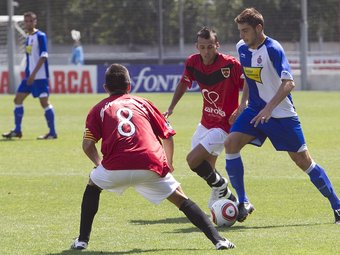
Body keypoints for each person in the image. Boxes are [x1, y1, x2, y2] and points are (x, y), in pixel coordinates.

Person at [70, 63, 235, 251]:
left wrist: (99, 165)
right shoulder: (143, 102)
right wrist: (169, 163)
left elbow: (87, 145)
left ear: (105, 88)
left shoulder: (98, 109)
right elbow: (168, 135)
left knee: (93, 185)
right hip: (150, 164)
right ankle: (219, 240)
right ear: (129, 86)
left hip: (114, 167)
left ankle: (82, 241)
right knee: (181, 199)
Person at [224, 7, 340, 224]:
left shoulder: (274, 49)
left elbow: (289, 83)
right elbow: (250, 79)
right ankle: (243, 201)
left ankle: (337, 205)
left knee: (302, 160)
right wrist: (243, 105)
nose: (242, 36)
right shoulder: (242, 47)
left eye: (246, 31)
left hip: (281, 114)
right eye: (240, 31)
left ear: (259, 28)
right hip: (255, 110)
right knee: (230, 143)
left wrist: (269, 108)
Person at [164, 27, 247, 213]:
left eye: (210, 47)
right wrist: (171, 107)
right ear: (197, 47)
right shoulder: (193, 62)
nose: (207, 51)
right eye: (202, 47)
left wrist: (241, 107)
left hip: (224, 125)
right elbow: (184, 83)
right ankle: (224, 195)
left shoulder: (230, 65)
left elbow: (249, 85)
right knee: (207, 167)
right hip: (205, 122)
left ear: (217, 45)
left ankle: (223, 189)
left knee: (193, 160)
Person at [2, 11, 57, 140]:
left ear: (35, 21)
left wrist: (33, 74)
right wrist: (28, 74)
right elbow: (29, 57)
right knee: (17, 99)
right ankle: (17, 130)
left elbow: (43, 56)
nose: (28, 23)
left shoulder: (40, 36)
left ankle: (52, 132)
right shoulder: (28, 38)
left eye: (30, 21)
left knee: (44, 103)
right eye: (26, 21)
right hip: (29, 77)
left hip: (39, 77)